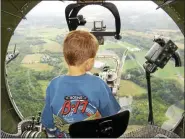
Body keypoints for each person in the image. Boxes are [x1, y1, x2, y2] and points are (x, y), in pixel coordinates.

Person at [41, 30, 121, 138]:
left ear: (65, 58)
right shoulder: (99, 84)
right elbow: (111, 117)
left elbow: (47, 120)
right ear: (89, 62)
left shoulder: (53, 84)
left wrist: (52, 134)